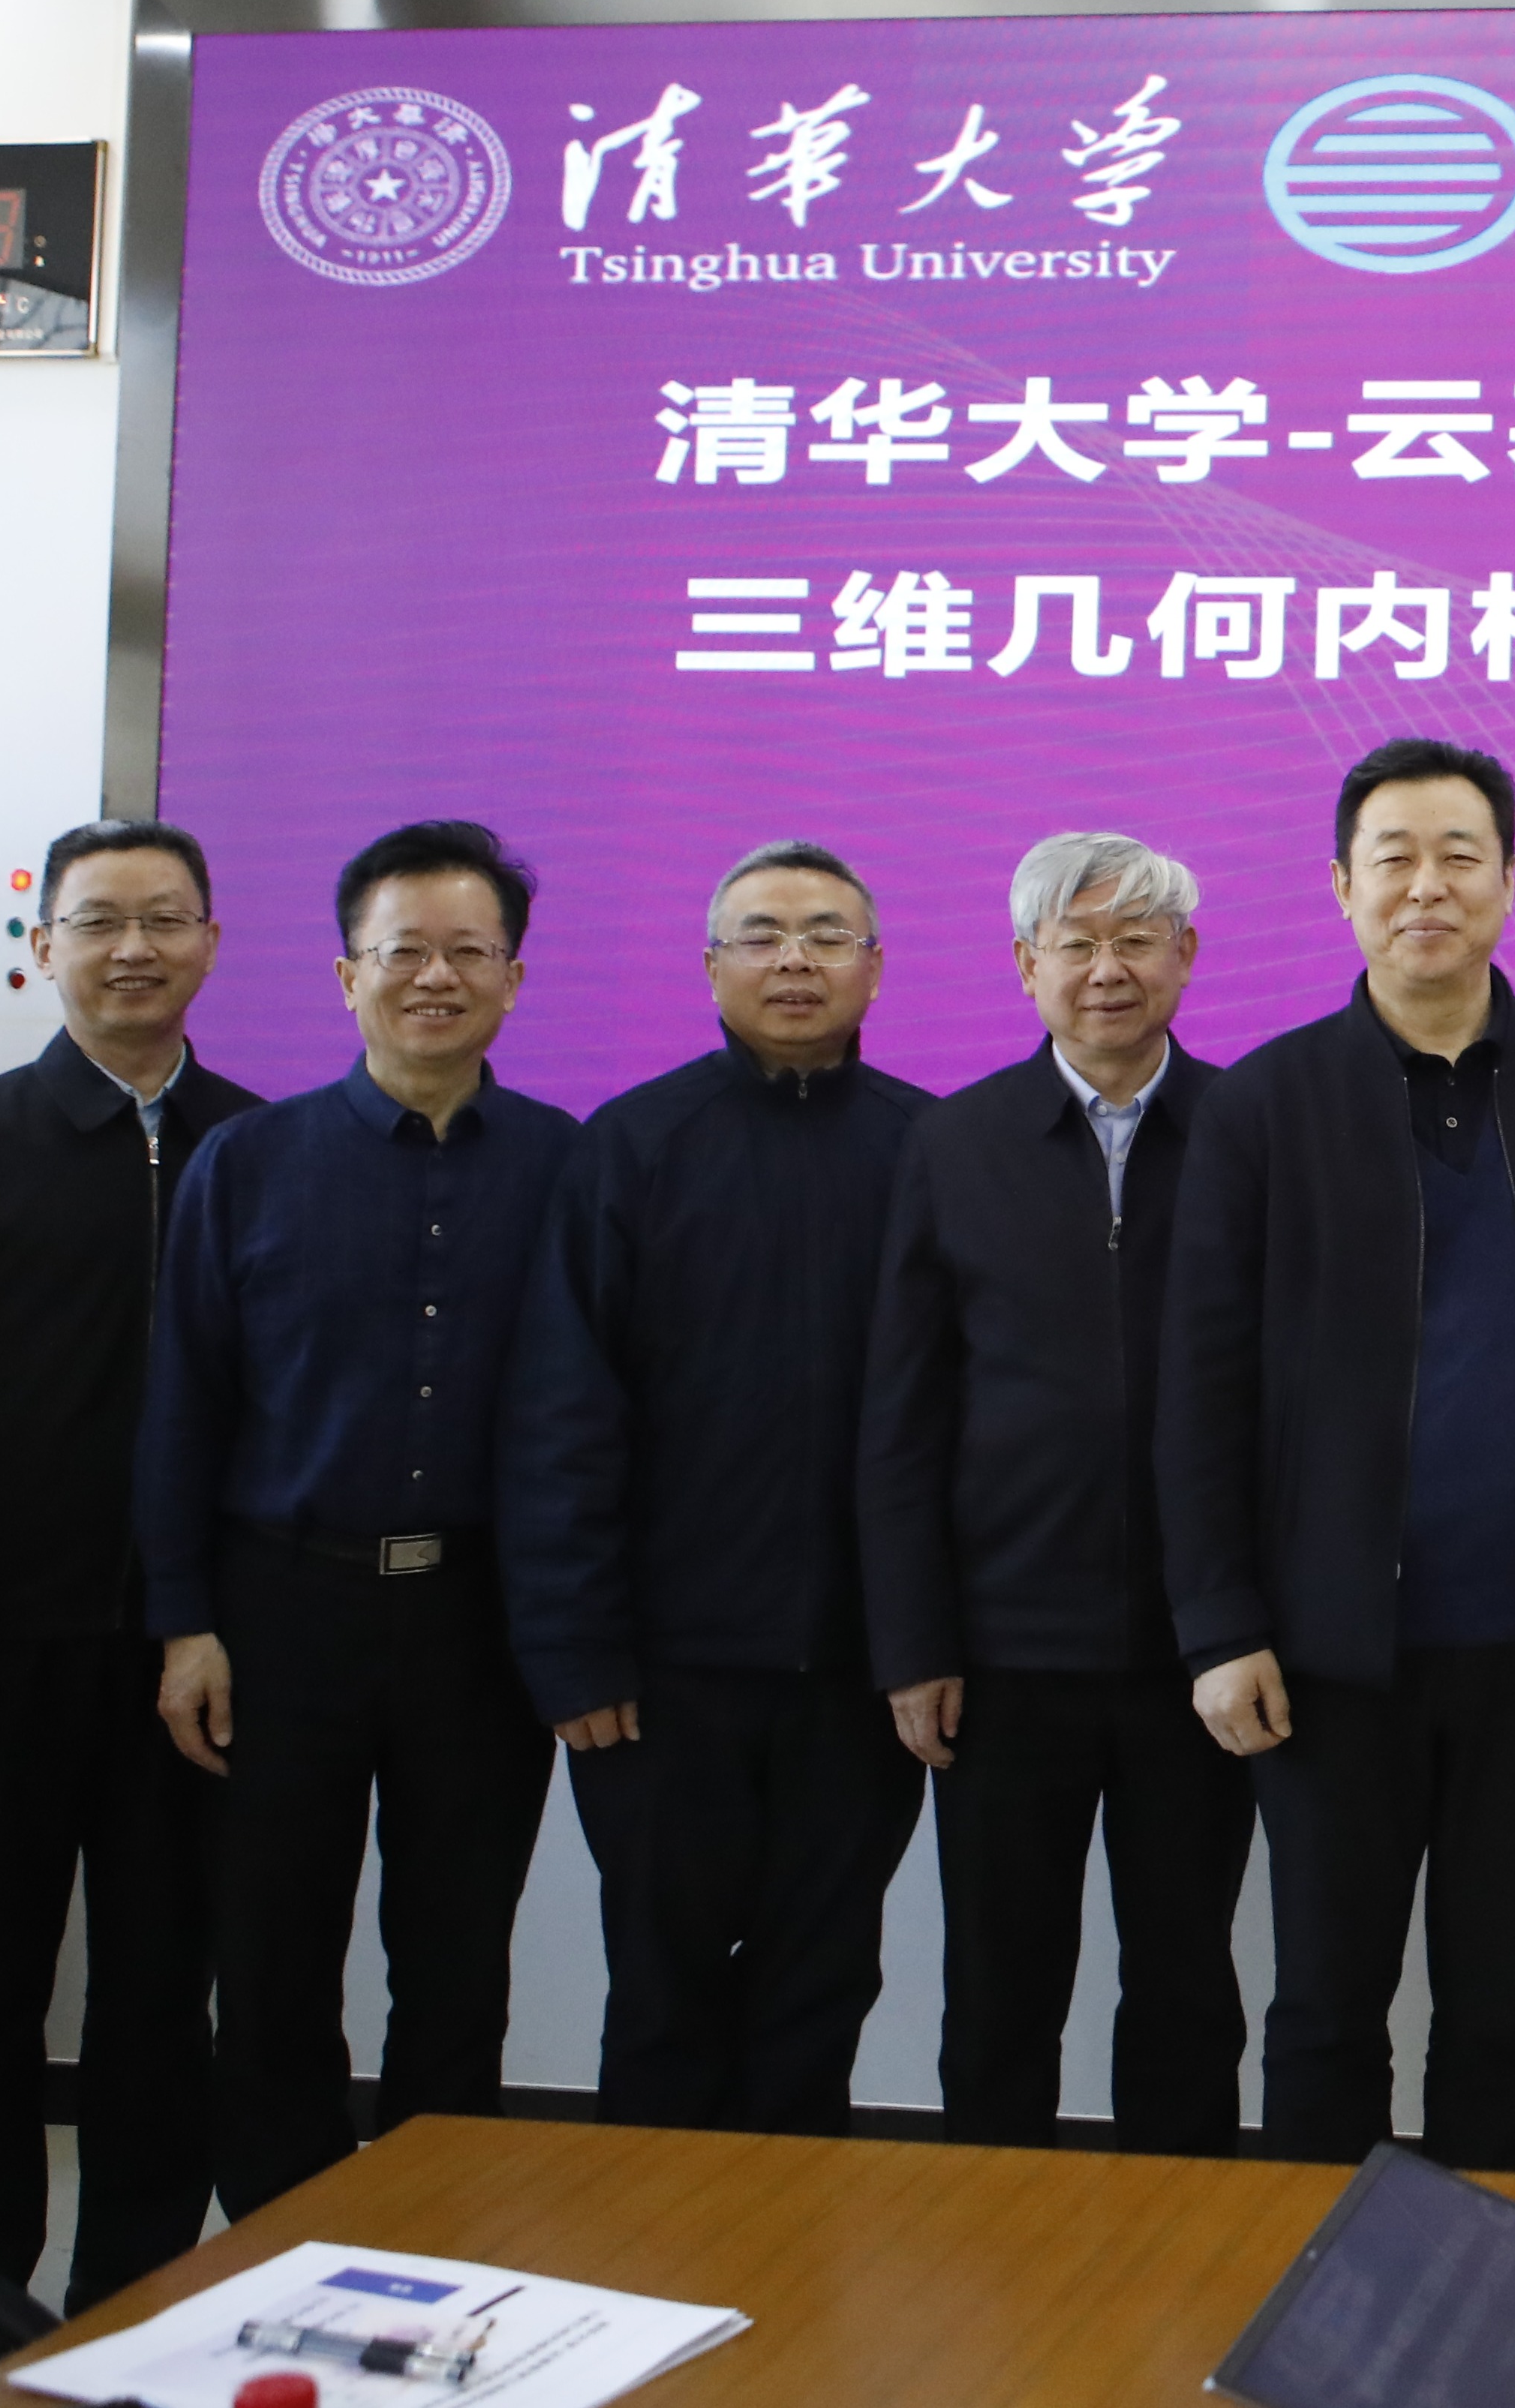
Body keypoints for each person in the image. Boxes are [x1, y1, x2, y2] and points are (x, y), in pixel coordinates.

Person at [1166, 740, 1515, 2166]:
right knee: (1328, 2007)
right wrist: (1220, 1624)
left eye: (1460, 856)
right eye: (1393, 858)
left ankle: (1476, 2272)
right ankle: (1314, 2278)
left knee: (1503, 2002)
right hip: (1327, 1656)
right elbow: (1198, 1390)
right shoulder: (1266, 1105)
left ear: (1510, 881)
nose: (1426, 886)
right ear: (1342, 887)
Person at [0, 822, 264, 2398]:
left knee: (161, 1991)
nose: (132, 948)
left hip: (188, 1655)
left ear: (211, 941)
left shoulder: (255, 1142)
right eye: (98, 921)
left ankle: (131, 2302)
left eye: (165, 919)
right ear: (43, 947)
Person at [137, 820, 576, 2213]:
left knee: (458, 1962)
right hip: (284, 1611)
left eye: (468, 952)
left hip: (482, 1621)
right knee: (271, 1962)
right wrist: (184, 1625)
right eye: (404, 952)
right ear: (346, 975)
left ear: (512, 977)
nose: (435, 978)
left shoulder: (570, 1169)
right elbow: (184, 1406)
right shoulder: (247, 1164)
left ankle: (436, 2249)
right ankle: (278, 2253)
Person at [503, 842, 933, 2135]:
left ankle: (786, 2252)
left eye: (826, 935)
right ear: (710, 967)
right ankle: (655, 2252)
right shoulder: (631, 1147)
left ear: (875, 967)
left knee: (821, 1990)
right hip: (660, 1678)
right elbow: (562, 1415)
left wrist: (929, 1643)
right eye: (760, 934)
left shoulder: (933, 1148)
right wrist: (576, 1652)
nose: (794, 960)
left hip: (860, 1675)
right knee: (663, 1995)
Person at [863, 831, 1253, 2152]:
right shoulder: (953, 1142)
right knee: (1000, 1984)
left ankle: (1182, 2235)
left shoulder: (1250, 1131)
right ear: (1026, 966)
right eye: (1075, 944)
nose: (1107, 970)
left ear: (1185, 958)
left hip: (1200, 1654)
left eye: (1136, 940)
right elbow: (903, 1417)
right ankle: (991, 2238)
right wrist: (914, 1643)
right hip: (1003, 1655)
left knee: (1187, 1980)